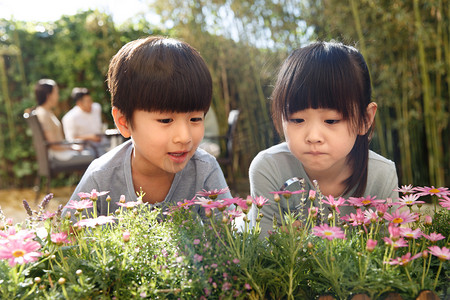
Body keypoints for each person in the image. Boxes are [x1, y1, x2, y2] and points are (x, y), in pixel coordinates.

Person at [63, 36, 231, 221]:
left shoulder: (204, 171)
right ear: (124, 122)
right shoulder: (101, 177)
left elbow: (229, 239)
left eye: (195, 118)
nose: (184, 137)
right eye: (166, 120)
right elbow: (68, 240)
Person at [249, 41, 399, 236]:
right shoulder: (269, 168)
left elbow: (389, 255)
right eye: (297, 119)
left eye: (331, 120)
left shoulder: (381, 175)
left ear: (365, 119)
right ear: (279, 119)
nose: (313, 137)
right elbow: (261, 253)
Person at [34, 79, 95, 166]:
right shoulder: (43, 114)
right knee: (95, 157)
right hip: (60, 156)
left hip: (62, 153)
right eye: (56, 93)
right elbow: (53, 144)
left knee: (91, 152)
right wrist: (72, 147)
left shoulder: (46, 112)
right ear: (49, 96)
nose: (58, 96)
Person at [62, 87, 109, 155]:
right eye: (88, 102)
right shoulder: (70, 117)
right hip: (86, 147)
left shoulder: (97, 107)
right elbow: (70, 139)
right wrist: (90, 137)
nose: (91, 103)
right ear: (79, 103)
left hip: (103, 143)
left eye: (91, 100)